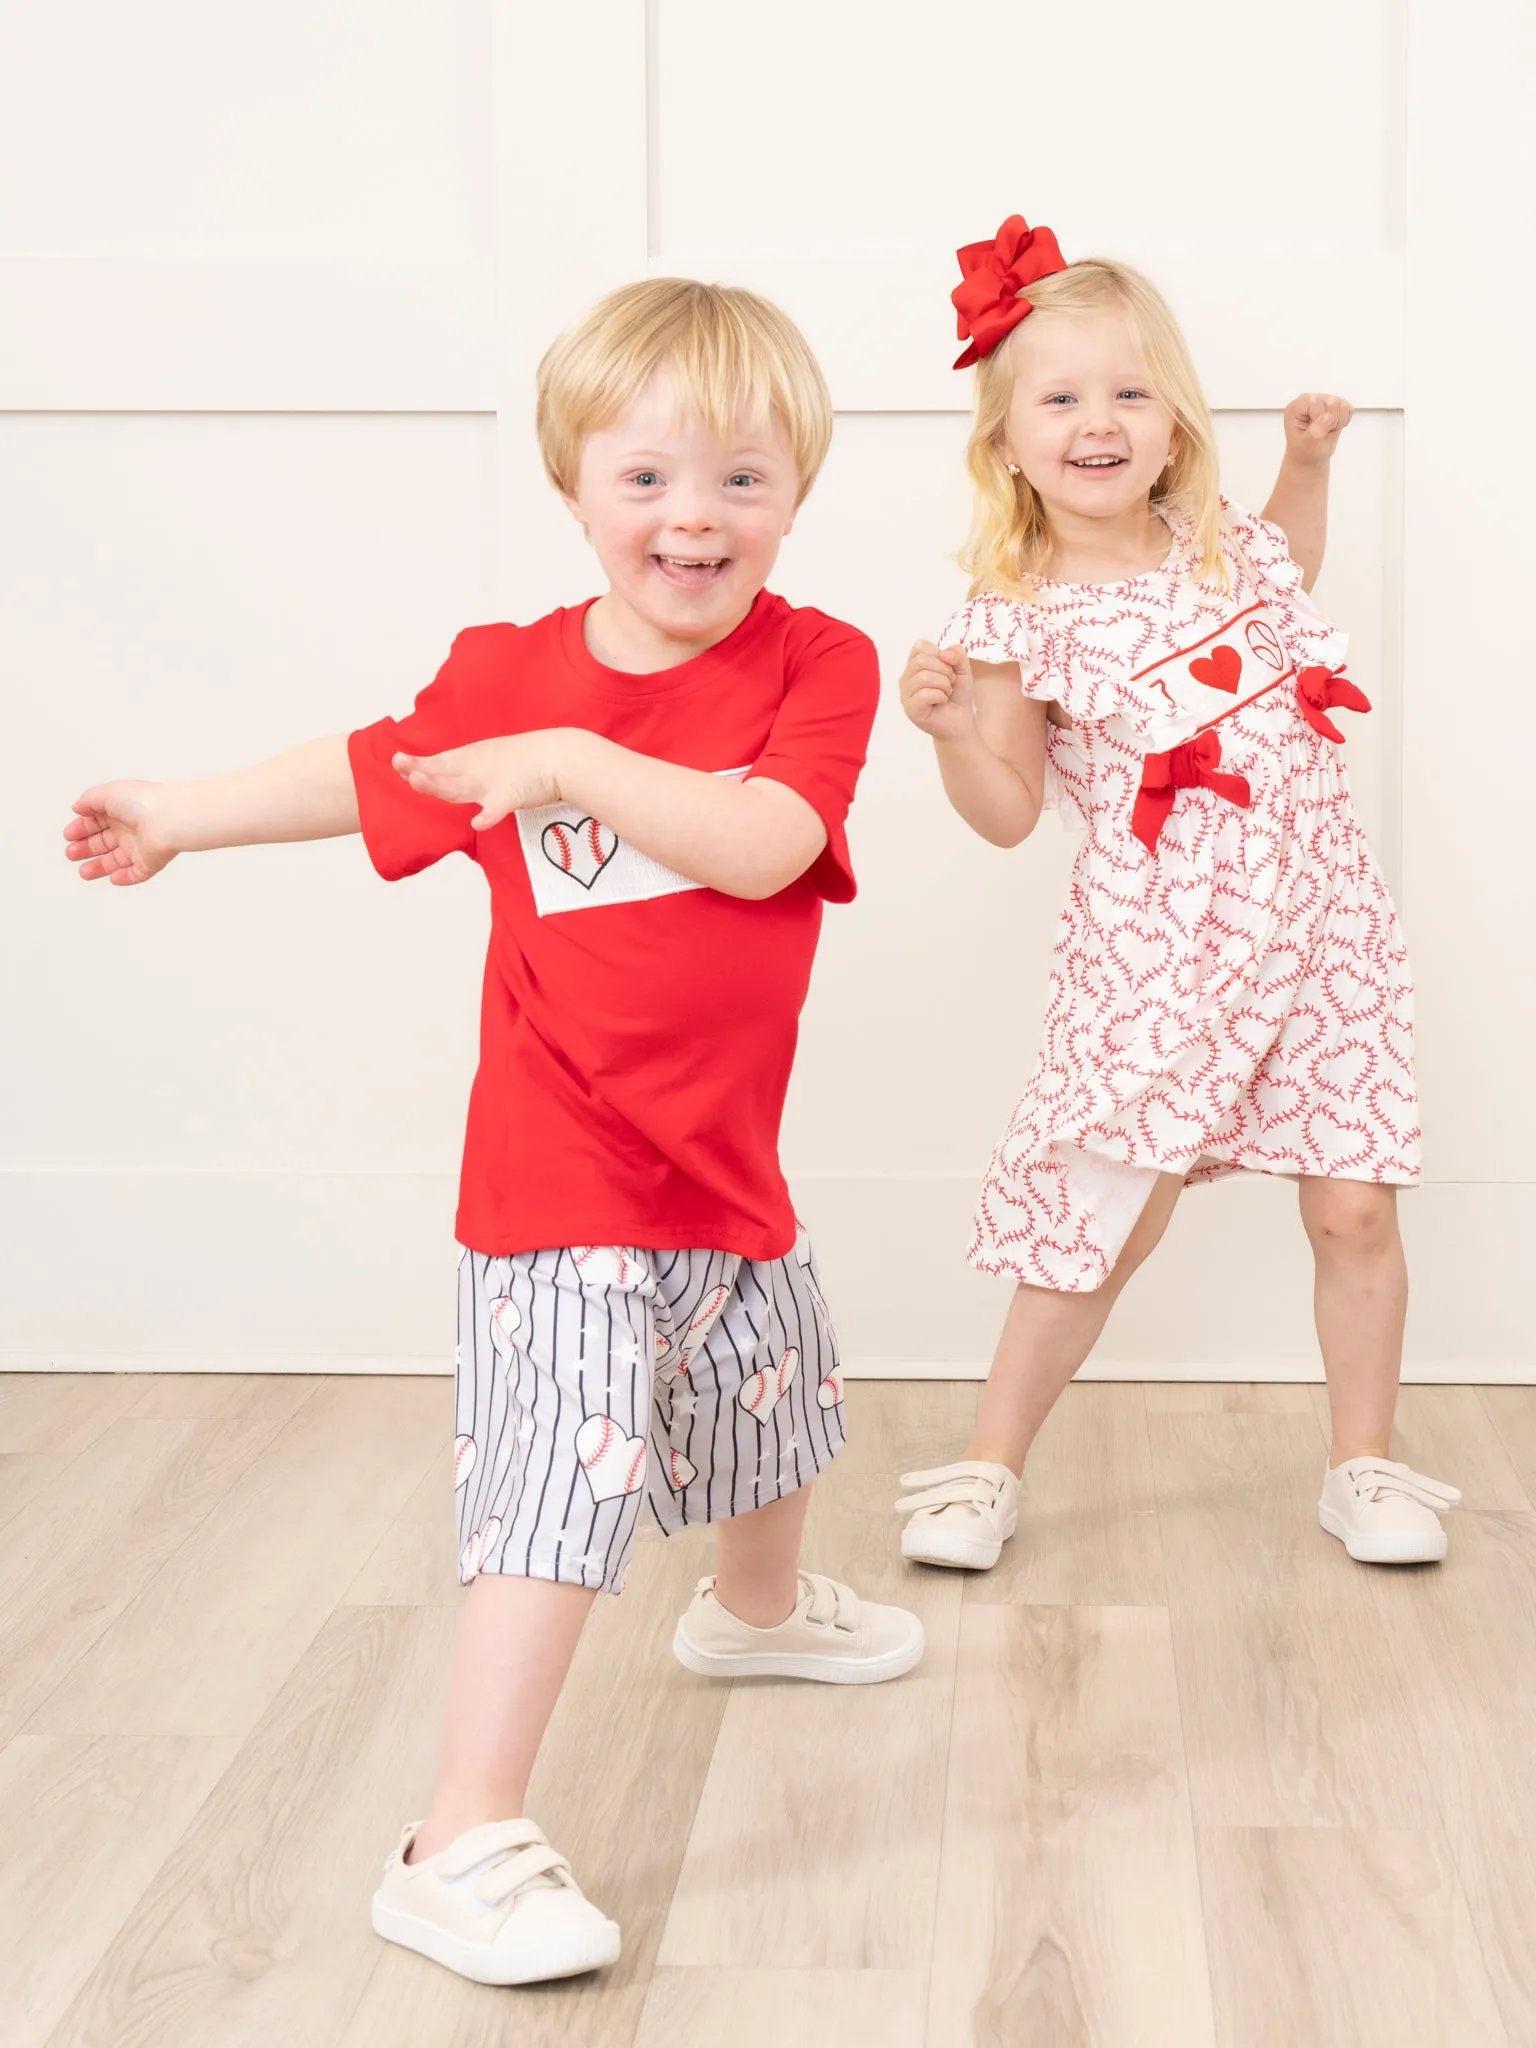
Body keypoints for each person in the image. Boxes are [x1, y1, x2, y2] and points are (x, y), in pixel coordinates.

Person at [63, 277, 923, 1989]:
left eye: (744, 480)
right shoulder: (505, 675)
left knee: (776, 1387)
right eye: (651, 478)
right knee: (567, 1476)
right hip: (558, 1174)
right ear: (574, 484)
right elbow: (369, 774)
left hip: (720, 1156)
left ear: (800, 494)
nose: (696, 517)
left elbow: (760, 844)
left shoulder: (815, 662)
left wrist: (563, 763)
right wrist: (182, 815)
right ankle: (456, 1834)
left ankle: (752, 1615)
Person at [895, 214, 1458, 1578]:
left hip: (1321, 930)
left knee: (1356, 1206)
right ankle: (987, 1467)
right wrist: (956, 739)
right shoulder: (1013, 617)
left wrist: (1305, 464)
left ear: (1173, 422)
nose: (1100, 422)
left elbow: (1294, 566)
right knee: (1102, 1216)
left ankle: (1363, 1463)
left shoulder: (1225, 550)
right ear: (1008, 435)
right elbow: (1013, 814)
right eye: (1064, 397)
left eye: (1130, 393)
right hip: (1158, 957)